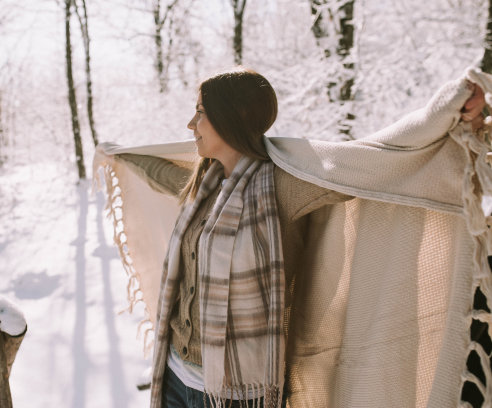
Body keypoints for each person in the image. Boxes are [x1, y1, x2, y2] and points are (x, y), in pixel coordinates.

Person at [95, 67, 487, 408]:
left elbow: (371, 161)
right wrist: (119, 155)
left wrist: (446, 113)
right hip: (176, 374)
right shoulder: (204, 182)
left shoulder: (281, 184)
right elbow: (159, 173)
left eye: (199, 113)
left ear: (228, 118)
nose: (190, 125)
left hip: (233, 392)